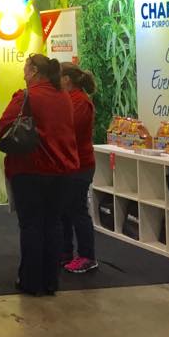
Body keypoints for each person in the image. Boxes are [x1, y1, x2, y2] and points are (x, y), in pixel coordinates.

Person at [0, 54, 78, 297]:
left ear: (34, 71)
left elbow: (4, 127)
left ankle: (31, 281)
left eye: (25, 68)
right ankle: (50, 280)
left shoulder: (26, 97)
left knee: (31, 225)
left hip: (30, 169)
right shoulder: (64, 97)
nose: (23, 73)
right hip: (62, 170)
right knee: (53, 224)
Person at [60, 62, 98, 274]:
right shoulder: (69, 99)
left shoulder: (81, 102)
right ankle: (65, 252)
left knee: (77, 211)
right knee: (65, 211)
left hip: (80, 165)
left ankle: (87, 256)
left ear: (66, 79)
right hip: (69, 164)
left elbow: (69, 130)